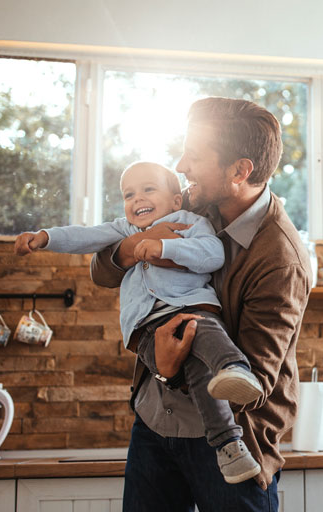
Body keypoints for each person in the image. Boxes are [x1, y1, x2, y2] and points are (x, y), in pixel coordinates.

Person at [89, 98, 312, 512]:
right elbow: (102, 266)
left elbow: (251, 378)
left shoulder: (280, 258)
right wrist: (136, 249)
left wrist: (167, 372)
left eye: (194, 156)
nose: (181, 168)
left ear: (241, 171)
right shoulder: (192, 205)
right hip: (155, 427)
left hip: (231, 440)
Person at [13, 161, 265, 484]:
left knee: (206, 349)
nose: (137, 199)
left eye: (148, 189)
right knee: (191, 369)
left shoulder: (190, 223)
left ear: (176, 201)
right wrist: (45, 238)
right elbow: (85, 237)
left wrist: (164, 247)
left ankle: (234, 389)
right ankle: (229, 441)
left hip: (191, 308)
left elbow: (212, 254)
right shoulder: (124, 231)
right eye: (128, 194)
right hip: (145, 328)